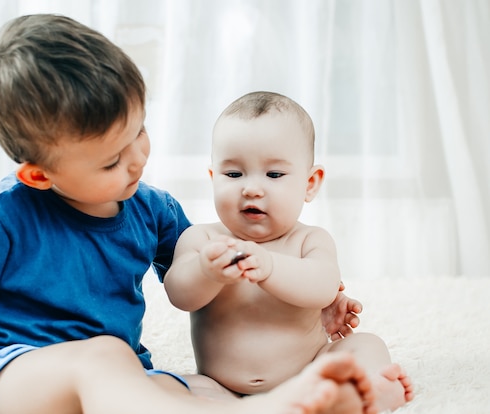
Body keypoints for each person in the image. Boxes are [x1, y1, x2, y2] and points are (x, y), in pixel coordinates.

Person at [0, 15, 375, 414]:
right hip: (17, 372)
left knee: (185, 386)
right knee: (104, 357)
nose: (136, 159)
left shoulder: (152, 209)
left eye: (139, 131)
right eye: (111, 160)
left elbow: (210, 279)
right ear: (39, 176)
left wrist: (312, 300)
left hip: (121, 375)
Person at [164, 91, 414, 413]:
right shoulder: (202, 239)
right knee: (167, 386)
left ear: (310, 183)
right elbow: (179, 293)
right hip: (220, 384)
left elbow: (323, 287)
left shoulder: (310, 240)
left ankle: (366, 391)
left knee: (367, 344)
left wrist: (269, 267)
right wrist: (205, 271)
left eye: (274, 175)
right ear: (213, 178)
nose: (251, 188)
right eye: (233, 174)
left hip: (309, 372)